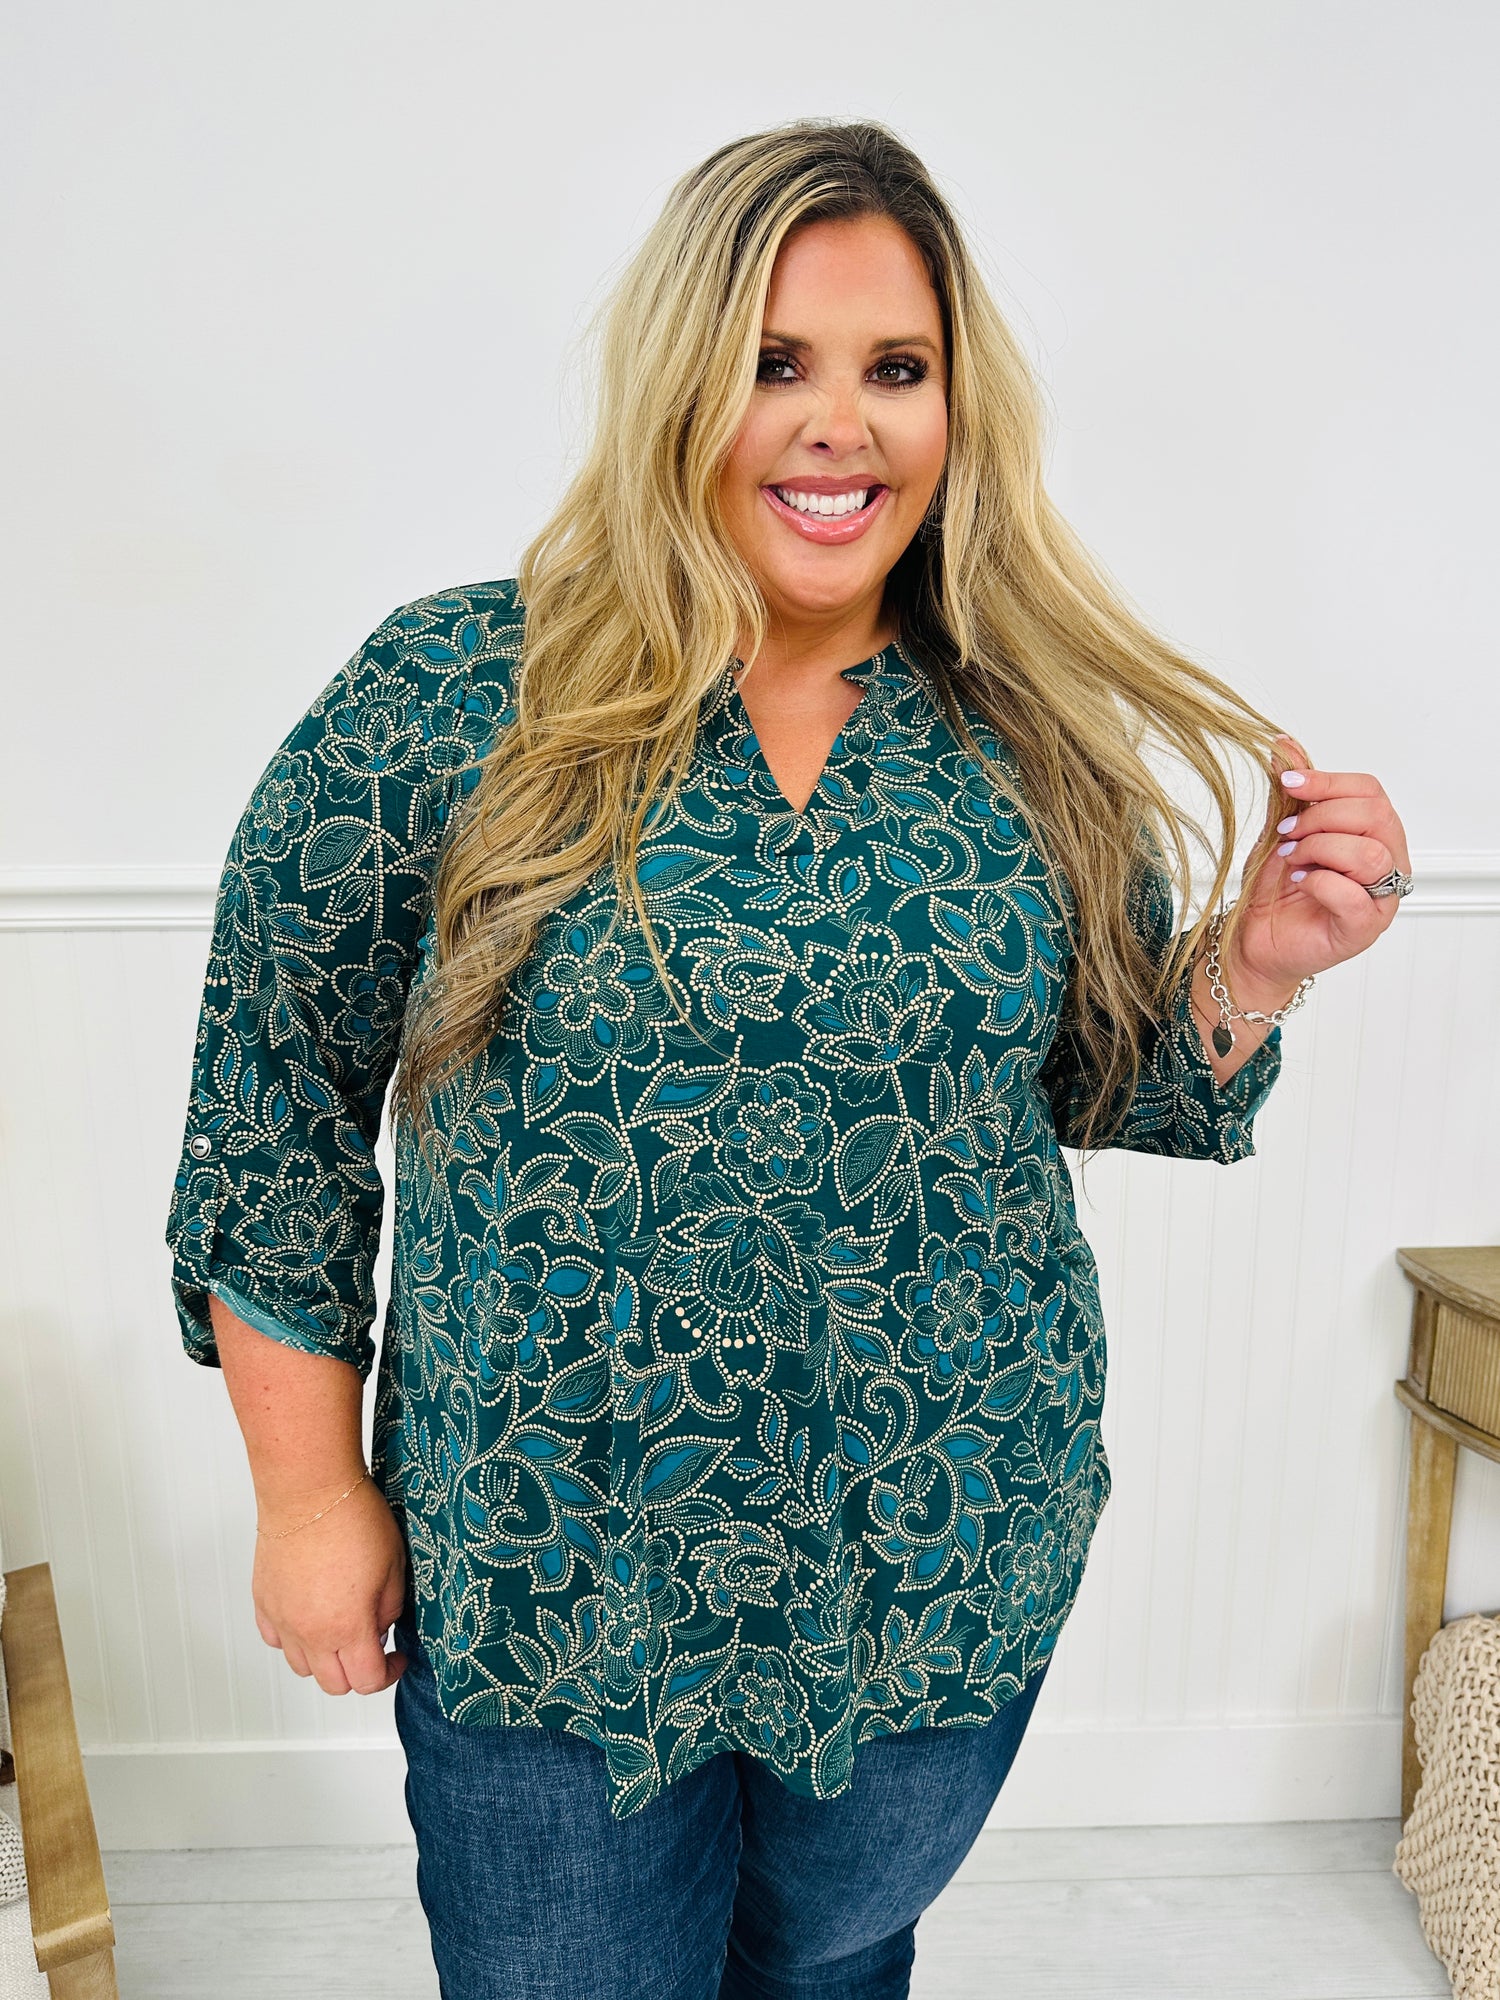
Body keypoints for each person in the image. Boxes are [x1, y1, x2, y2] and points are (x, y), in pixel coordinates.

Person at [165, 119, 1412, 2000]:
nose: (840, 426)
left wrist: (1258, 966)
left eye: (895, 368)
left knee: (833, 1967)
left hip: (938, 1563)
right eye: (775, 363)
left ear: (958, 407)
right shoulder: (451, 696)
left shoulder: (1029, 737)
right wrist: (307, 1495)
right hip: (550, 1578)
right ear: (682, 381)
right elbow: (273, 1101)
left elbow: (1107, 1083)